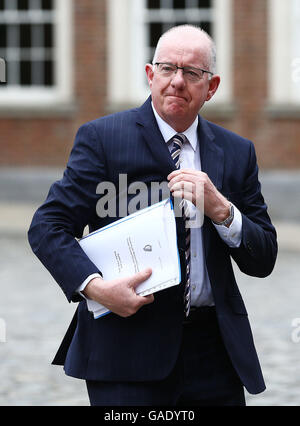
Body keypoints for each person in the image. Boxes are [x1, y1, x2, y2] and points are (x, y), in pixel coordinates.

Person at [28, 25, 277, 406]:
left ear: (211, 87)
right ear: (150, 75)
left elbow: (264, 258)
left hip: (215, 354)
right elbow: (47, 227)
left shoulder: (237, 152)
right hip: (127, 350)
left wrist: (223, 211)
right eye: (167, 68)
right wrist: (95, 288)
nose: (177, 81)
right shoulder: (102, 139)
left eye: (192, 73)